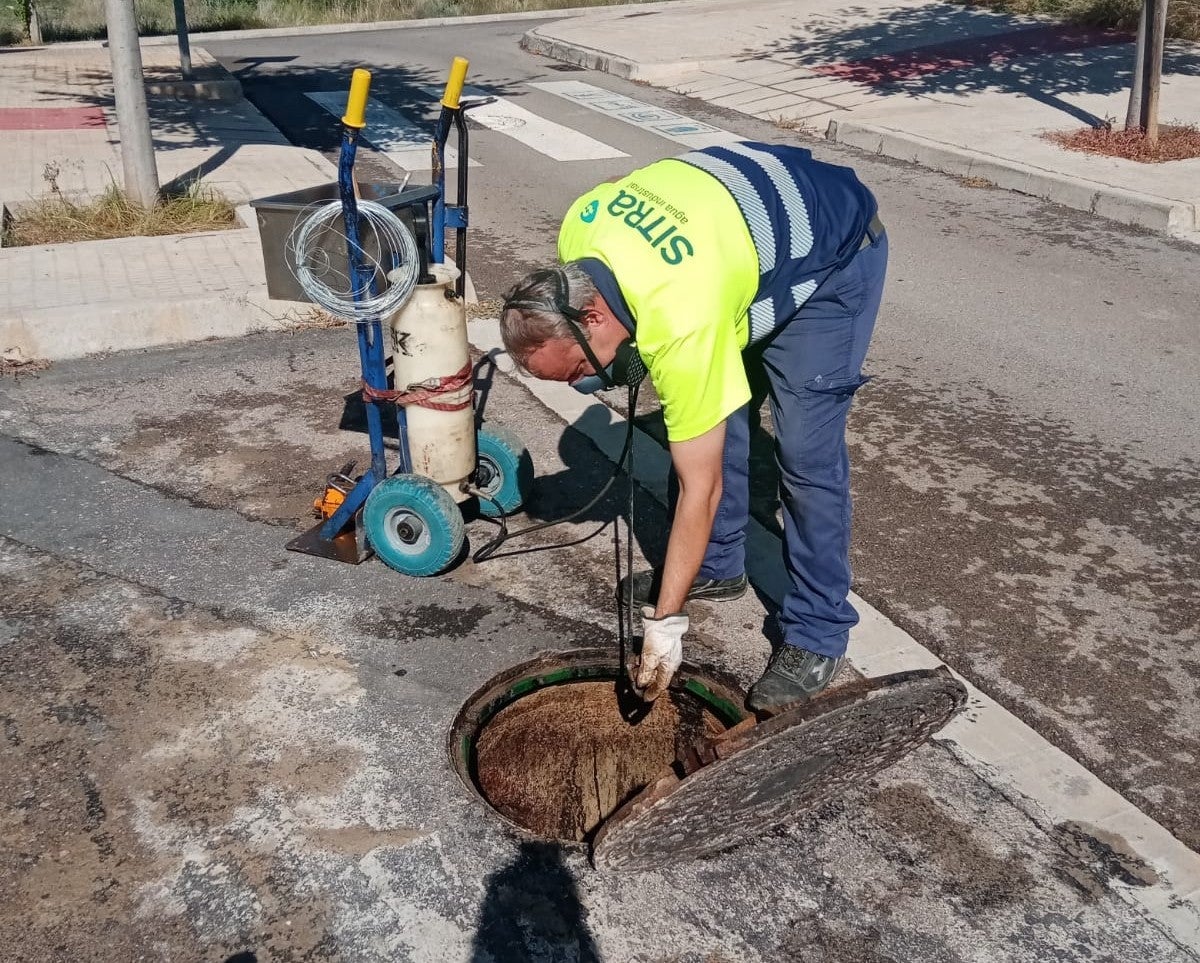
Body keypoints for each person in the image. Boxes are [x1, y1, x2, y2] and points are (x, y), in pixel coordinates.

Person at [499, 140, 887, 712]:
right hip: (737, 252)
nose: (593, 382)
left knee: (807, 455)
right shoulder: (580, 232)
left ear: (593, 314)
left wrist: (665, 624)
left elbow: (697, 488)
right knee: (711, 411)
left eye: (584, 367)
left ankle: (818, 630)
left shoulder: (681, 320)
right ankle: (717, 565)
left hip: (830, 255)